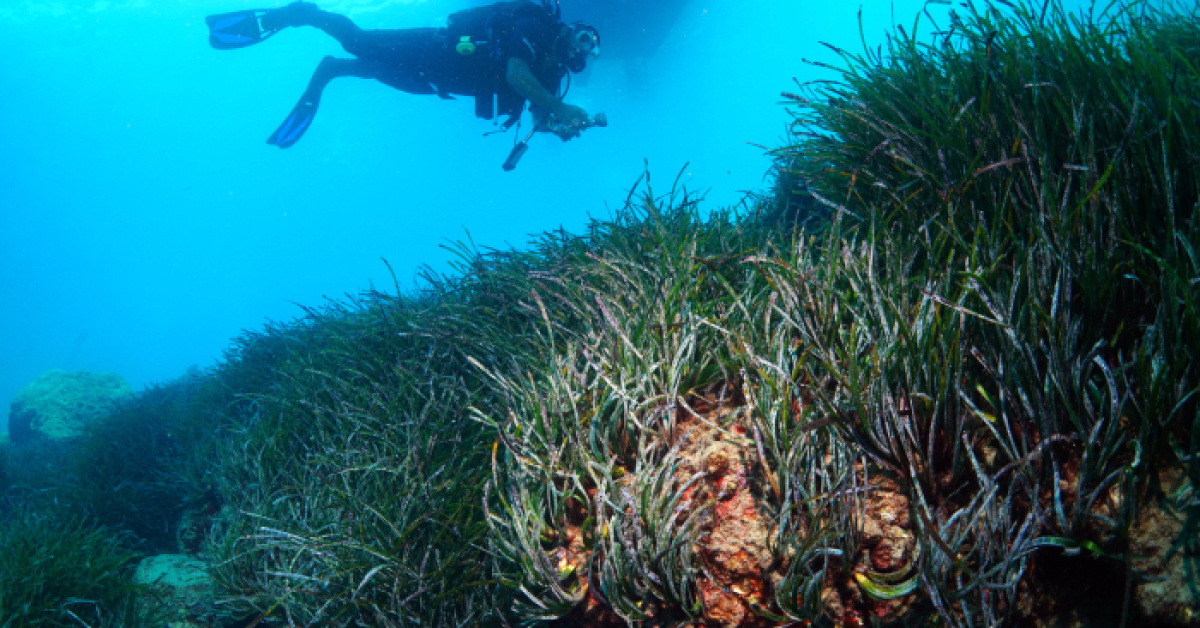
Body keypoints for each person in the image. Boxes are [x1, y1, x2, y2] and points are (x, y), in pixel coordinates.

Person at [205, 0, 600, 149]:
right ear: (573, 29)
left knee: (373, 70)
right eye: (585, 37)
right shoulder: (535, 26)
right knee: (358, 42)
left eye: (592, 50)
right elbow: (515, 74)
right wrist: (560, 108)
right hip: (432, 47)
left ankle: (330, 72)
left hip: (435, 83)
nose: (584, 48)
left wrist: (557, 125)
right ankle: (303, 13)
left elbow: (538, 116)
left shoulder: (552, 78)